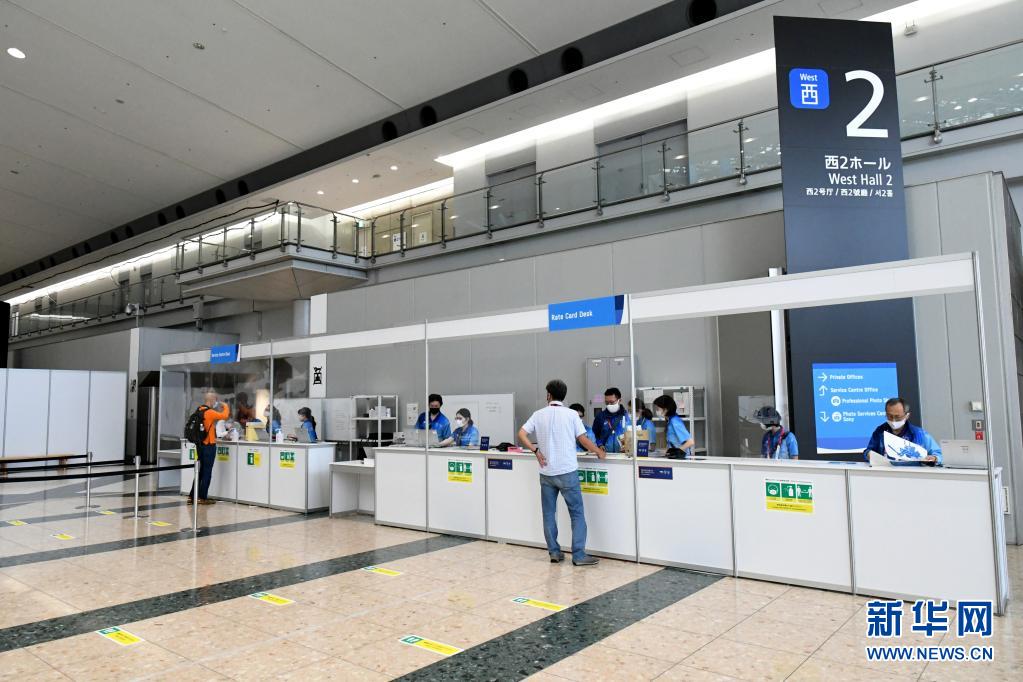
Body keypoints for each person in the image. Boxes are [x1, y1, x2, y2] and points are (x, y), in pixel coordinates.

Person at [518, 379, 604, 566]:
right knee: (577, 513)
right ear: (564, 395)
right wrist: (598, 451)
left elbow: (522, 433)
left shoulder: (538, 414)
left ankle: (554, 552)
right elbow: (582, 439)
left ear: (549, 395)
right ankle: (579, 555)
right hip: (567, 471)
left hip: (546, 472)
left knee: (549, 513)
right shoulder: (572, 414)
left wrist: (535, 451)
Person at [864, 397, 942, 465]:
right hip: (886, 473)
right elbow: (868, 451)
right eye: (889, 416)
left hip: (912, 474)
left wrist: (934, 458)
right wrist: (869, 454)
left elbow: (939, 454)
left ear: (907, 416)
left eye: (897, 417)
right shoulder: (880, 432)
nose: (893, 420)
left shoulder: (919, 434)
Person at [191, 391, 229, 505]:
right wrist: (225, 406)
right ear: (212, 400)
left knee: (200, 471)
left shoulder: (199, 410)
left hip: (200, 446)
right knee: (207, 471)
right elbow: (224, 416)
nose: (216, 402)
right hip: (209, 446)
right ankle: (202, 498)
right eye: (215, 399)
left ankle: (192, 497)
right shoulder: (209, 412)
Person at [592, 387, 631, 454]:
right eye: (607, 403)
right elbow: (594, 434)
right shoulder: (600, 416)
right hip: (605, 454)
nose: (609, 405)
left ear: (619, 400)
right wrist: (599, 444)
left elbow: (633, 435)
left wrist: (629, 446)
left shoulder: (628, 417)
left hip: (624, 455)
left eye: (612, 402)